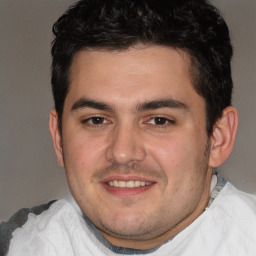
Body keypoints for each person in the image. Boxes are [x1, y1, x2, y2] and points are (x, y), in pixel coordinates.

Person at [1, 0, 256, 255]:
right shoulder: (18, 245)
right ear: (59, 138)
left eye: (159, 120)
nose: (123, 153)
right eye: (96, 120)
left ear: (218, 138)